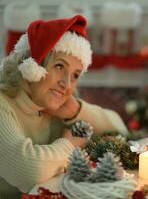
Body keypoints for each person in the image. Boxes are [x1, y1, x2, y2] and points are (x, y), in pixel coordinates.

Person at [0, 15, 128, 198]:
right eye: (60, 66)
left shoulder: (56, 106)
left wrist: (77, 112)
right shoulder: (3, 104)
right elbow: (29, 170)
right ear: (33, 65)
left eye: (75, 75)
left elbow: (120, 130)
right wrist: (69, 145)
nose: (67, 84)